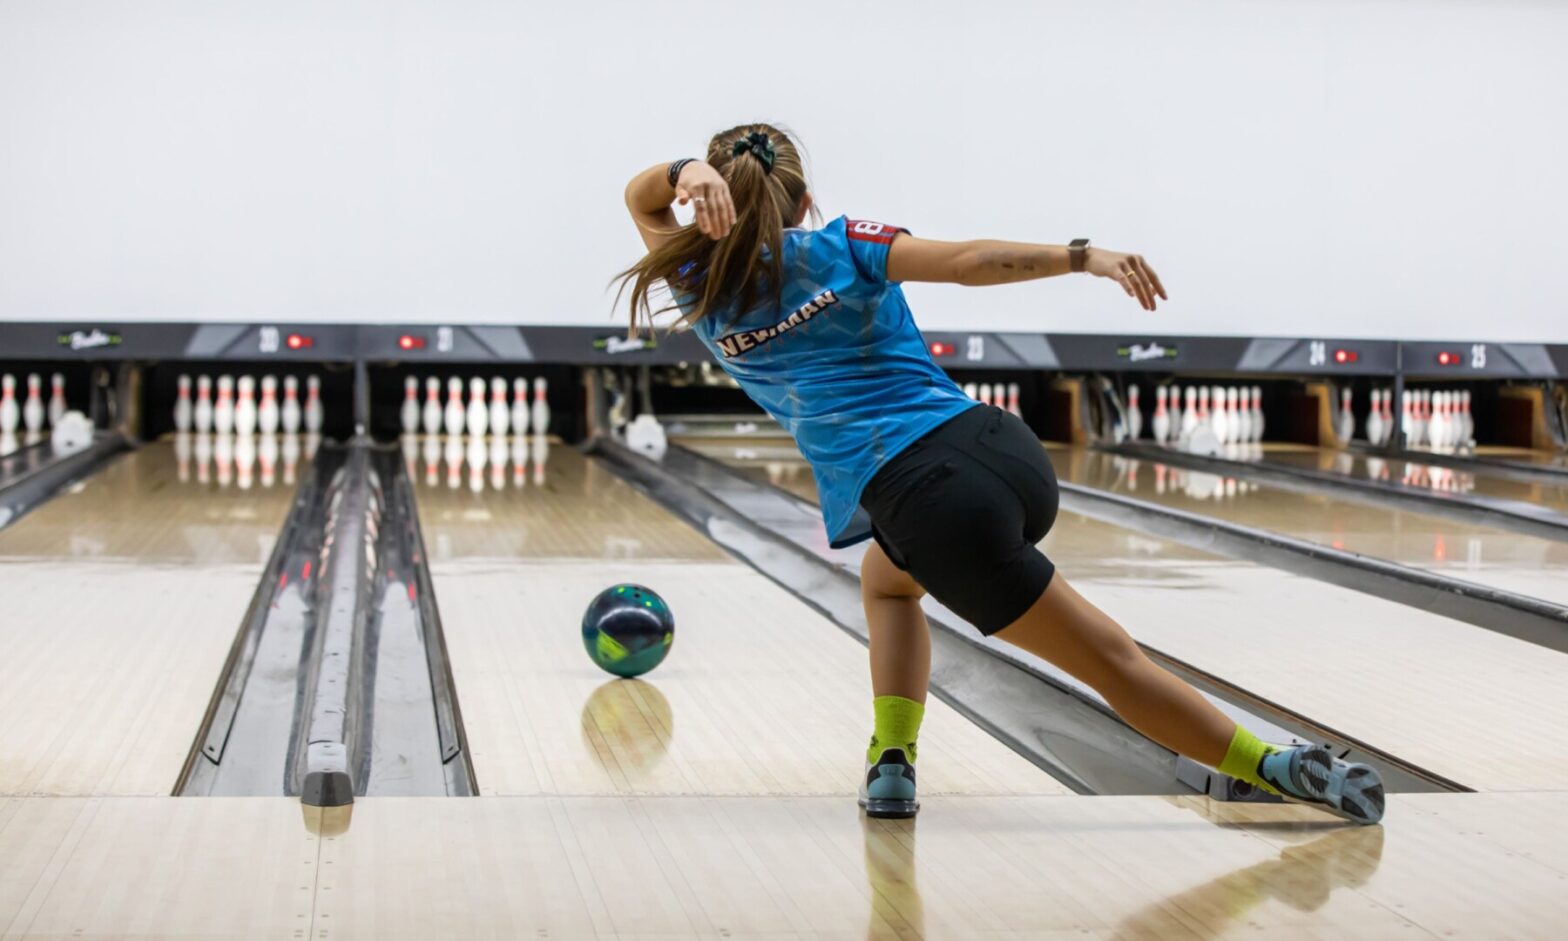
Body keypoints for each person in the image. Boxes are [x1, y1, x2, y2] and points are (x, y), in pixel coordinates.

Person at [617, 123, 1383, 825]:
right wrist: (1084, 257)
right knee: (887, 579)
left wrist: (684, 170)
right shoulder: (846, 243)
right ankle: (892, 757)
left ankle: (1273, 766)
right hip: (999, 448)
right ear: (806, 200)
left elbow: (637, 195)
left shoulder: (692, 278)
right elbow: (966, 263)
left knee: (1111, 663)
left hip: (937, 505)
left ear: (705, 199)